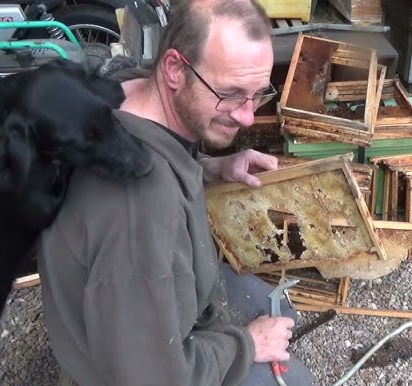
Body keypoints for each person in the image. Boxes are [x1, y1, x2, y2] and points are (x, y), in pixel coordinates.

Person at [35, 0, 315, 385]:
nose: (247, 116)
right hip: (125, 368)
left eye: (257, 93)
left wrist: (211, 167)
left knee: (279, 307)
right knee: (296, 378)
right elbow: (152, 376)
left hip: (123, 307)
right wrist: (247, 344)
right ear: (174, 69)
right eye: (231, 93)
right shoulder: (137, 212)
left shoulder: (128, 89)